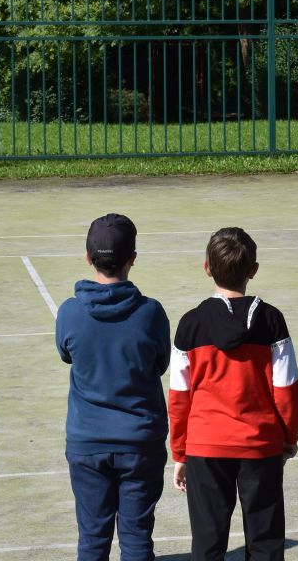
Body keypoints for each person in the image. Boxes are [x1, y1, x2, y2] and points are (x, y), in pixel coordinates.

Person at [168, 227, 298, 561]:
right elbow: (287, 391)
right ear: (253, 270)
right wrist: (287, 438)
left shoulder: (190, 324)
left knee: (207, 545)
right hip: (260, 445)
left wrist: (180, 452)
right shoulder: (272, 321)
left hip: (205, 446)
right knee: (266, 544)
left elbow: (179, 398)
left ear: (207, 268)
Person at [56, 213, 171, 561]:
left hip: (87, 441)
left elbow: (66, 354)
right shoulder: (151, 313)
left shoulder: (70, 312)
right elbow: (160, 364)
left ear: (87, 257)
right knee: (137, 538)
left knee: (92, 539)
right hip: (140, 441)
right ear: (132, 258)